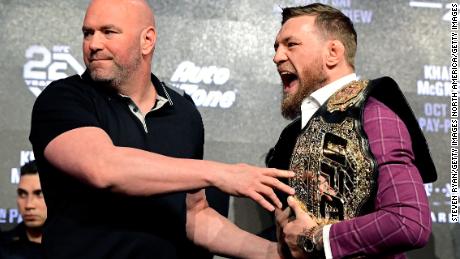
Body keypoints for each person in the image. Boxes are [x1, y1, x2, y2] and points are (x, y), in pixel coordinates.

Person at [29, 0, 295, 258]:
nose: (94, 44)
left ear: (147, 40)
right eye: (88, 33)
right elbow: (103, 167)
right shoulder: (64, 98)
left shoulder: (183, 113)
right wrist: (220, 173)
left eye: (108, 32)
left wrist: (272, 253)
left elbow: (195, 215)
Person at [266, 3, 437, 259]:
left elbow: (408, 221)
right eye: (276, 47)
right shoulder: (294, 133)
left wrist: (314, 238)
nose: (277, 56)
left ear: (333, 52)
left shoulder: (373, 113)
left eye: (291, 44)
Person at [0, 160, 46, 259]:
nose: (29, 205)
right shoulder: (3, 246)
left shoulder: (75, 246)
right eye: (22, 194)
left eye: (39, 194)